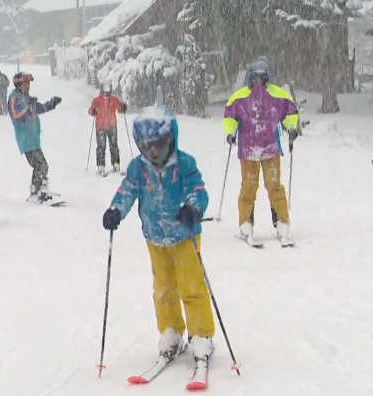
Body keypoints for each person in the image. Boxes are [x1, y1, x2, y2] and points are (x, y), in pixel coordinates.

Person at [102, 105, 215, 368]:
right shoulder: (137, 169)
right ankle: (171, 331)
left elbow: (198, 190)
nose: (154, 152)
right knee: (164, 288)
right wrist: (116, 210)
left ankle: (201, 335)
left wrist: (193, 209)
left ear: (171, 139)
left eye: (160, 145)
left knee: (192, 286)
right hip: (155, 236)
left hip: (184, 235)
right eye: (147, 146)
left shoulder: (184, 164)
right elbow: (126, 192)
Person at [223, 56, 299, 247]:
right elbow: (230, 115)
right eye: (255, 76)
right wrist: (230, 132)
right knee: (249, 187)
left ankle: (282, 222)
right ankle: (245, 224)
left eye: (262, 76)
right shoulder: (239, 97)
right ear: (250, 77)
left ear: (267, 77)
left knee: (274, 186)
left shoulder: (279, 95)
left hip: (270, 149)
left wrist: (291, 127)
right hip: (248, 150)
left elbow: (290, 112)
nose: (258, 80)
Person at [7, 71, 63, 204]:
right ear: (19, 84)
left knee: (40, 165)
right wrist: (28, 107)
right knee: (41, 165)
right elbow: (16, 114)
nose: (28, 86)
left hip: (34, 140)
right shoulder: (14, 98)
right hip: (26, 140)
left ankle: (37, 191)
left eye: (29, 83)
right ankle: (39, 192)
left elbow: (39, 108)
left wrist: (51, 104)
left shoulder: (26, 98)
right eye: (26, 83)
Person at [88, 82, 127, 176]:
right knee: (101, 147)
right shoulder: (97, 100)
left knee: (114, 146)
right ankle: (101, 165)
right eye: (105, 91)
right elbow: (90, 111)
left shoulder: (114, 100)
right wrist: (93, 111)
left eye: (108, 91)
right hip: (101, 127)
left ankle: (116, 164)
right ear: (101, 90)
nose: (106, 94)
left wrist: (123, 107)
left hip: (112, 126)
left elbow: (119, 108)